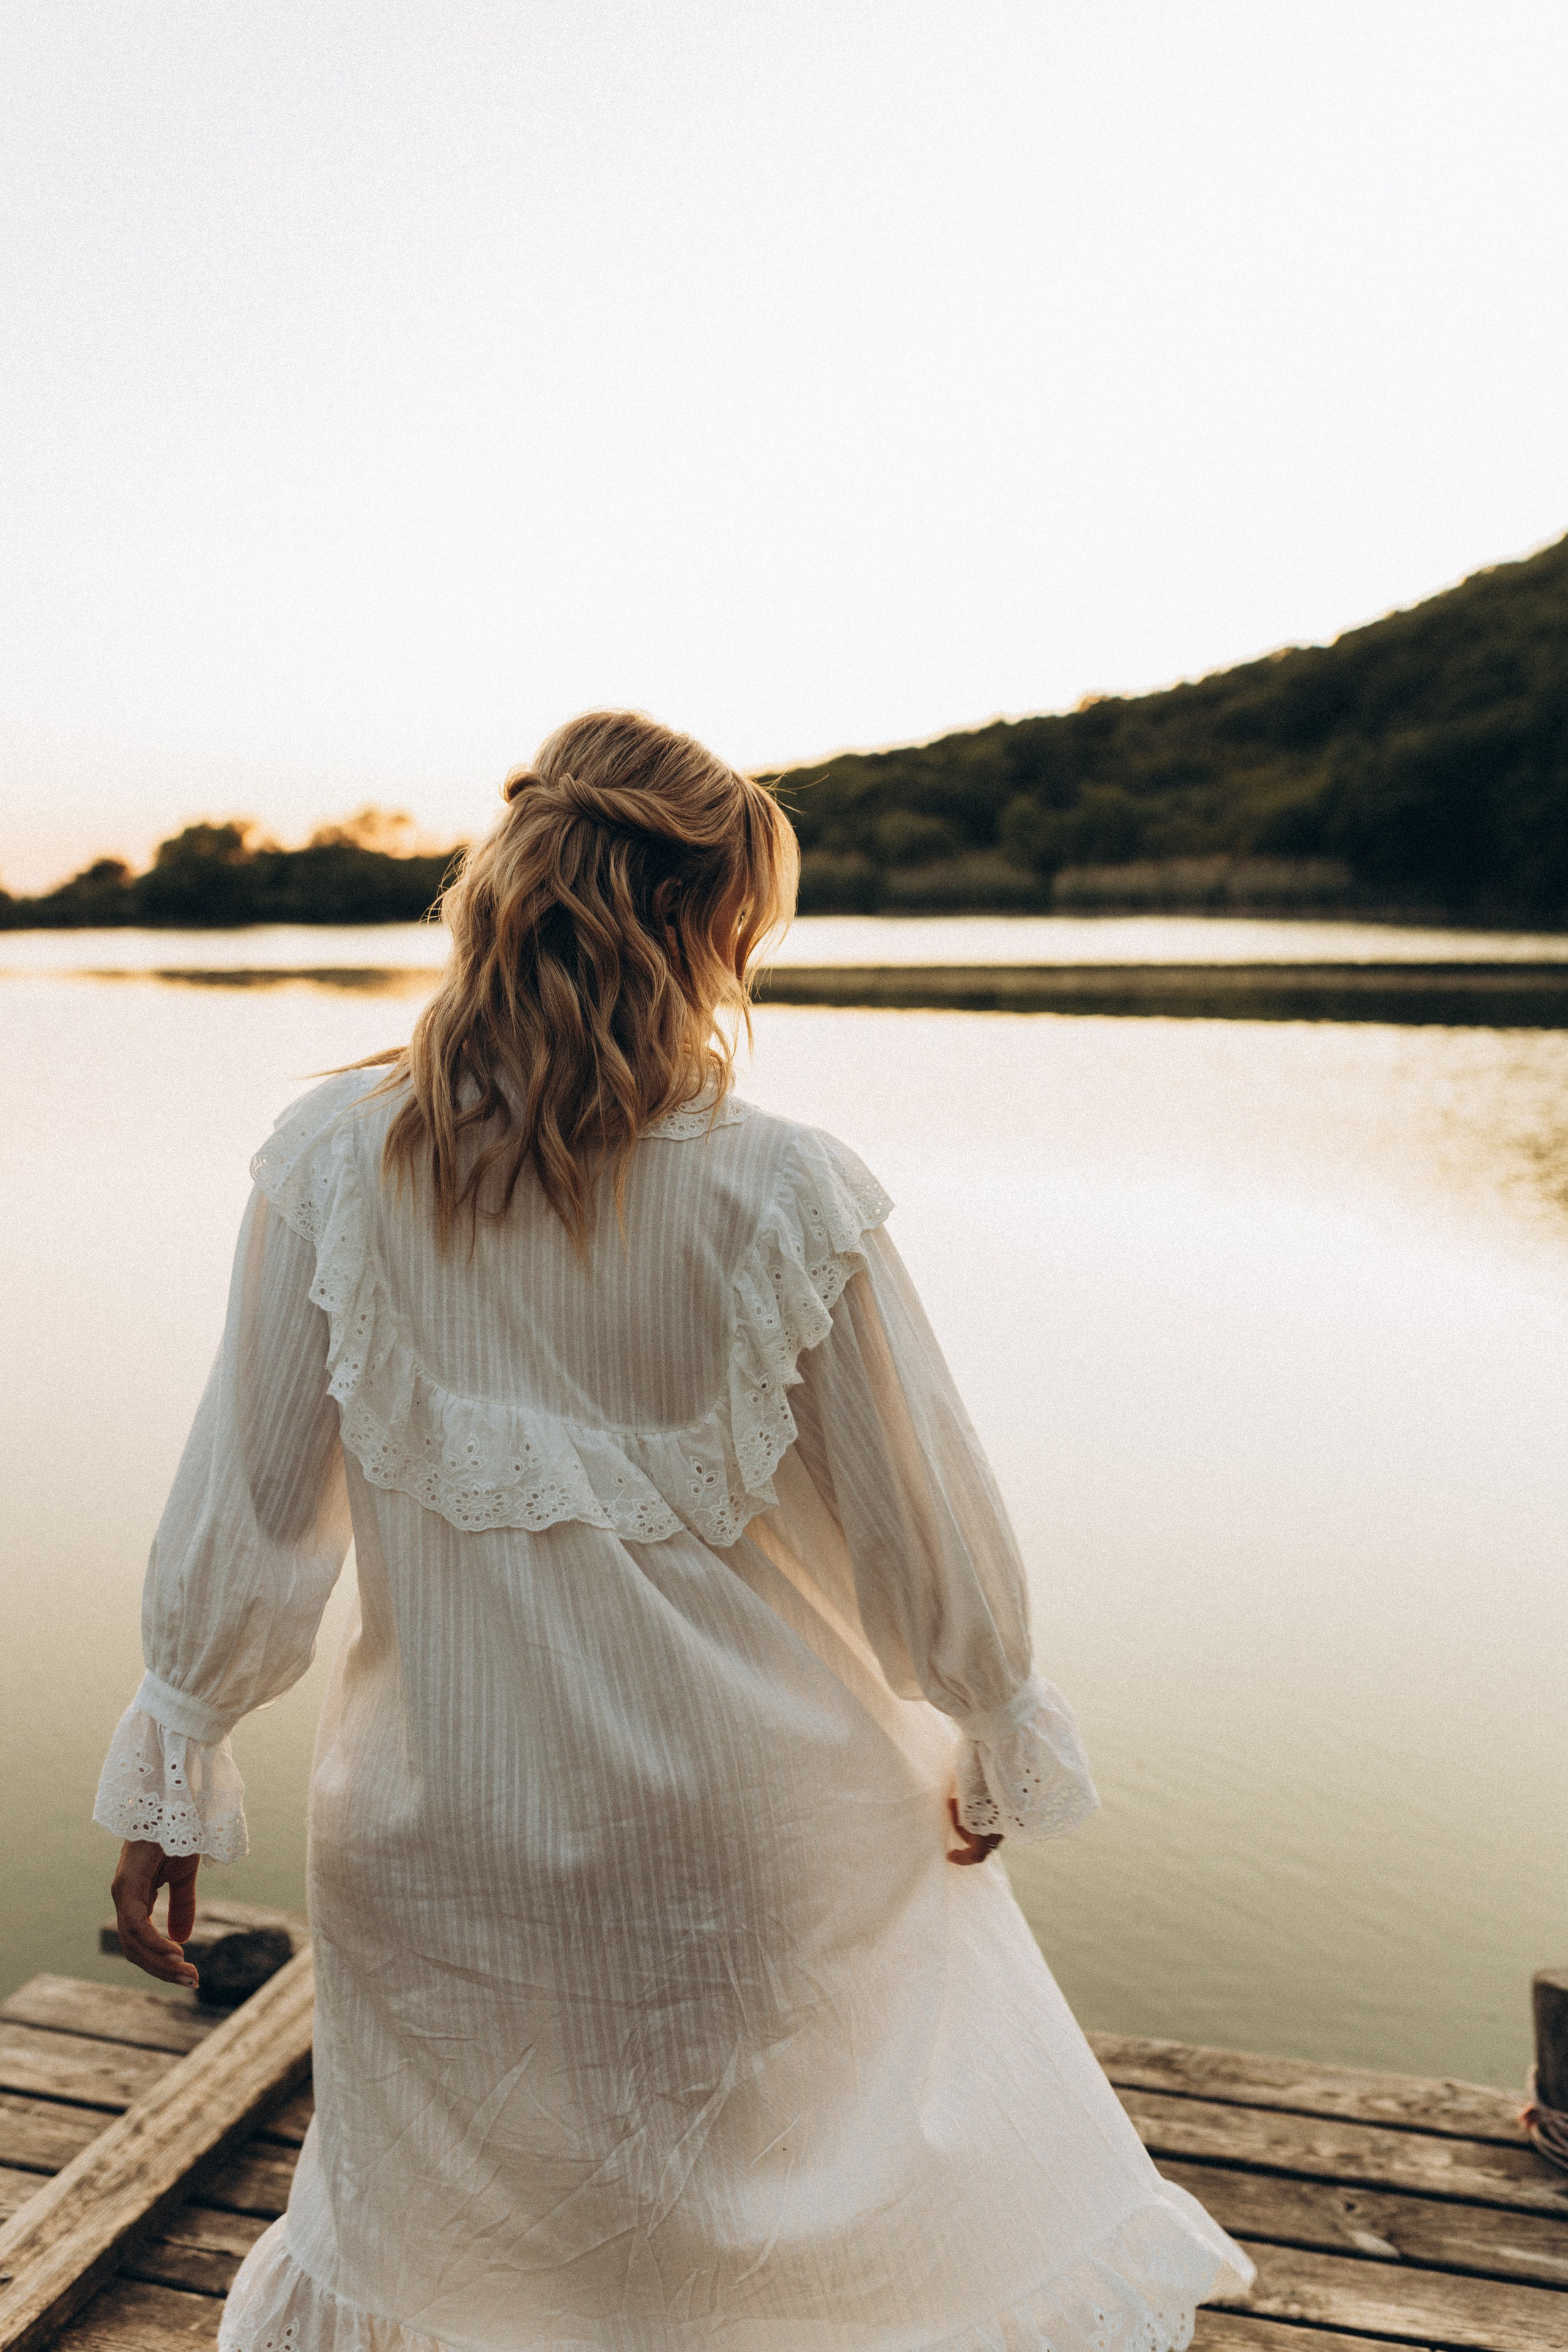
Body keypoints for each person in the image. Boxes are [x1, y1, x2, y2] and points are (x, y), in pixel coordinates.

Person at [97, 710, 1252, 2352]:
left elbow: (247, 1511)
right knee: (771, 2244)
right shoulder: (787, 1193)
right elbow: (932, 1534)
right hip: (749, 1834)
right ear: (710, 926)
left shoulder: (327, 1164)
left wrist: (179, 1752)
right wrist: (992, 1717)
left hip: (445, 1830)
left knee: (470, 2257)